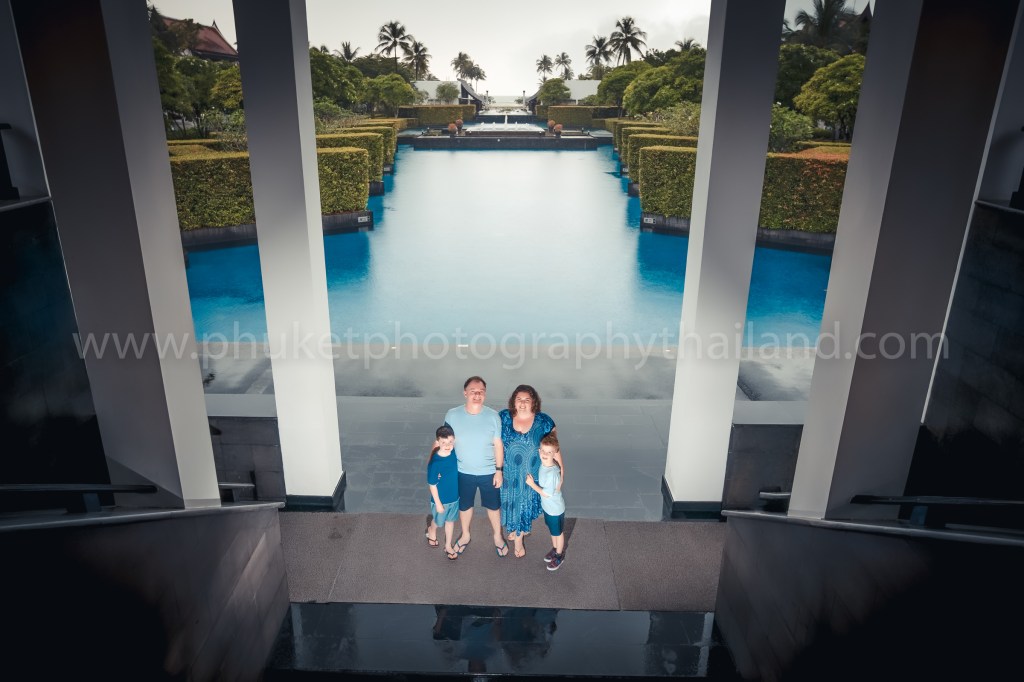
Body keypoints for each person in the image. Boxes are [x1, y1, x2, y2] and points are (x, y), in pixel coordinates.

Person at [444, 376, 508, 557]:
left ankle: (497, 536)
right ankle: (465, 536)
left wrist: (499, 471)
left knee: (493, 507)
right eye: (473, 391)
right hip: (462, 472)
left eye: (481, 392)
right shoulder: (452, 414)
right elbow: (444, 441)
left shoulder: (493, 416)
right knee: (465, 506)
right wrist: (435, 464)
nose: (477, 395)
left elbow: (498, 445)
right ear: (465, 393)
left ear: (485, 395)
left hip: (489, 472)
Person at [498, 385, 562, 558]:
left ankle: (518, 539)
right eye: (519, 399)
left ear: (534, 402)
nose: (523, 403)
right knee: (514, 506)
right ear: (513, 401)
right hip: (510, 475)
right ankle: (517, 530)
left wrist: (561, 473)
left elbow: (554, 448)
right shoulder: (503, 417)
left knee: (522, 506)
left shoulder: (544, 421)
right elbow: (494, 442)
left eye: (527, 400)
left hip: (531, 476)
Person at [525, 433, 567, 571]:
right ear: (539, 451)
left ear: (555, 454)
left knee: (558, 533)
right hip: (549, 508)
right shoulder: (544, 466)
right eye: (543, 450)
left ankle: (560, 555)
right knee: (553, 532)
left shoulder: (552, 473)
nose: (545, 454)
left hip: (555, 509)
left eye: (549, 452)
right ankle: (555, 549)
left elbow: (547, 494)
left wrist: (532, 484)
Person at [426, 424, 460, 560]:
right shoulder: (435, 463)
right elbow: (432, 485)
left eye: (450, 442)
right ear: (438, 442)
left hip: (454, 498)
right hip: (440, 501)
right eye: (444, 442)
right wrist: (438, 503)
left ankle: (448, 545)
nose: (448, 445)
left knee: (450, 521)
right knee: (439, 522)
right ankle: (431, 530)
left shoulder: (453, 454)